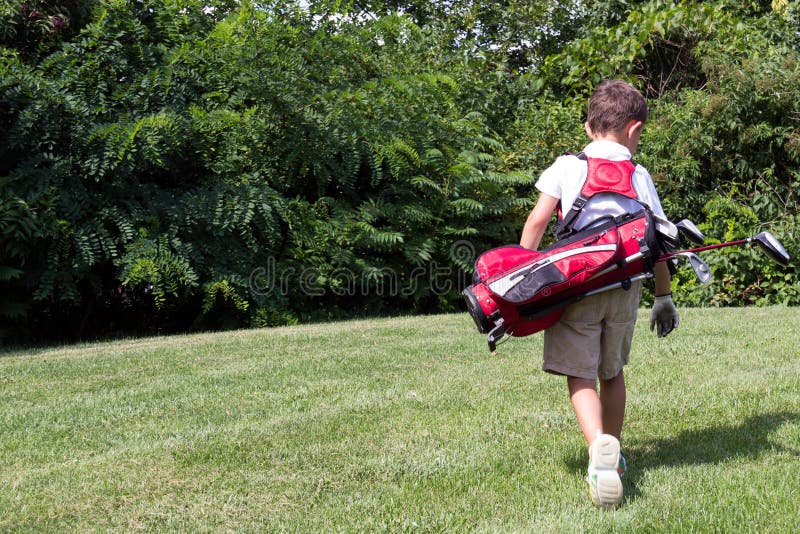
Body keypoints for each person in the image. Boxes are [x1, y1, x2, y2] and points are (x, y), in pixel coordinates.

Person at [519, 79, 679, 509]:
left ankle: (597, 451)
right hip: (625, 288)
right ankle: (616, 449)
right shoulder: (639, 175)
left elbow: (537, 222)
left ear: (589, 127)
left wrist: (524, 275)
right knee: (613, 371)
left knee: (580, 372)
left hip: (576, 285)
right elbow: (659, 243)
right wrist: (663, 297)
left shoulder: (567, 167)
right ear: (634, 130)